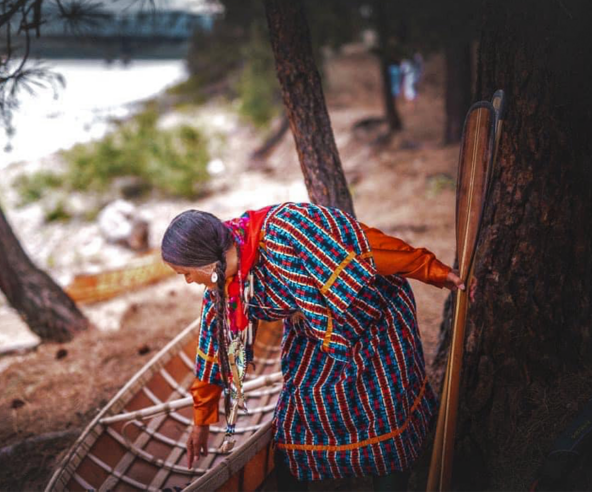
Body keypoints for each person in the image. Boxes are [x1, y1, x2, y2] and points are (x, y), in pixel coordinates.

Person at [160, 202, 466, 491]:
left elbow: (368, 247)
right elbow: (214, 351)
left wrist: (436, 271)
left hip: (374, 318)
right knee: (295, 423)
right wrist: (201, 422)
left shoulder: (287, 229)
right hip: (319, 333)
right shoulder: (224, 290)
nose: (187, 281)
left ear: (207, 261)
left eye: (185, 272)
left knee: (383, 417)